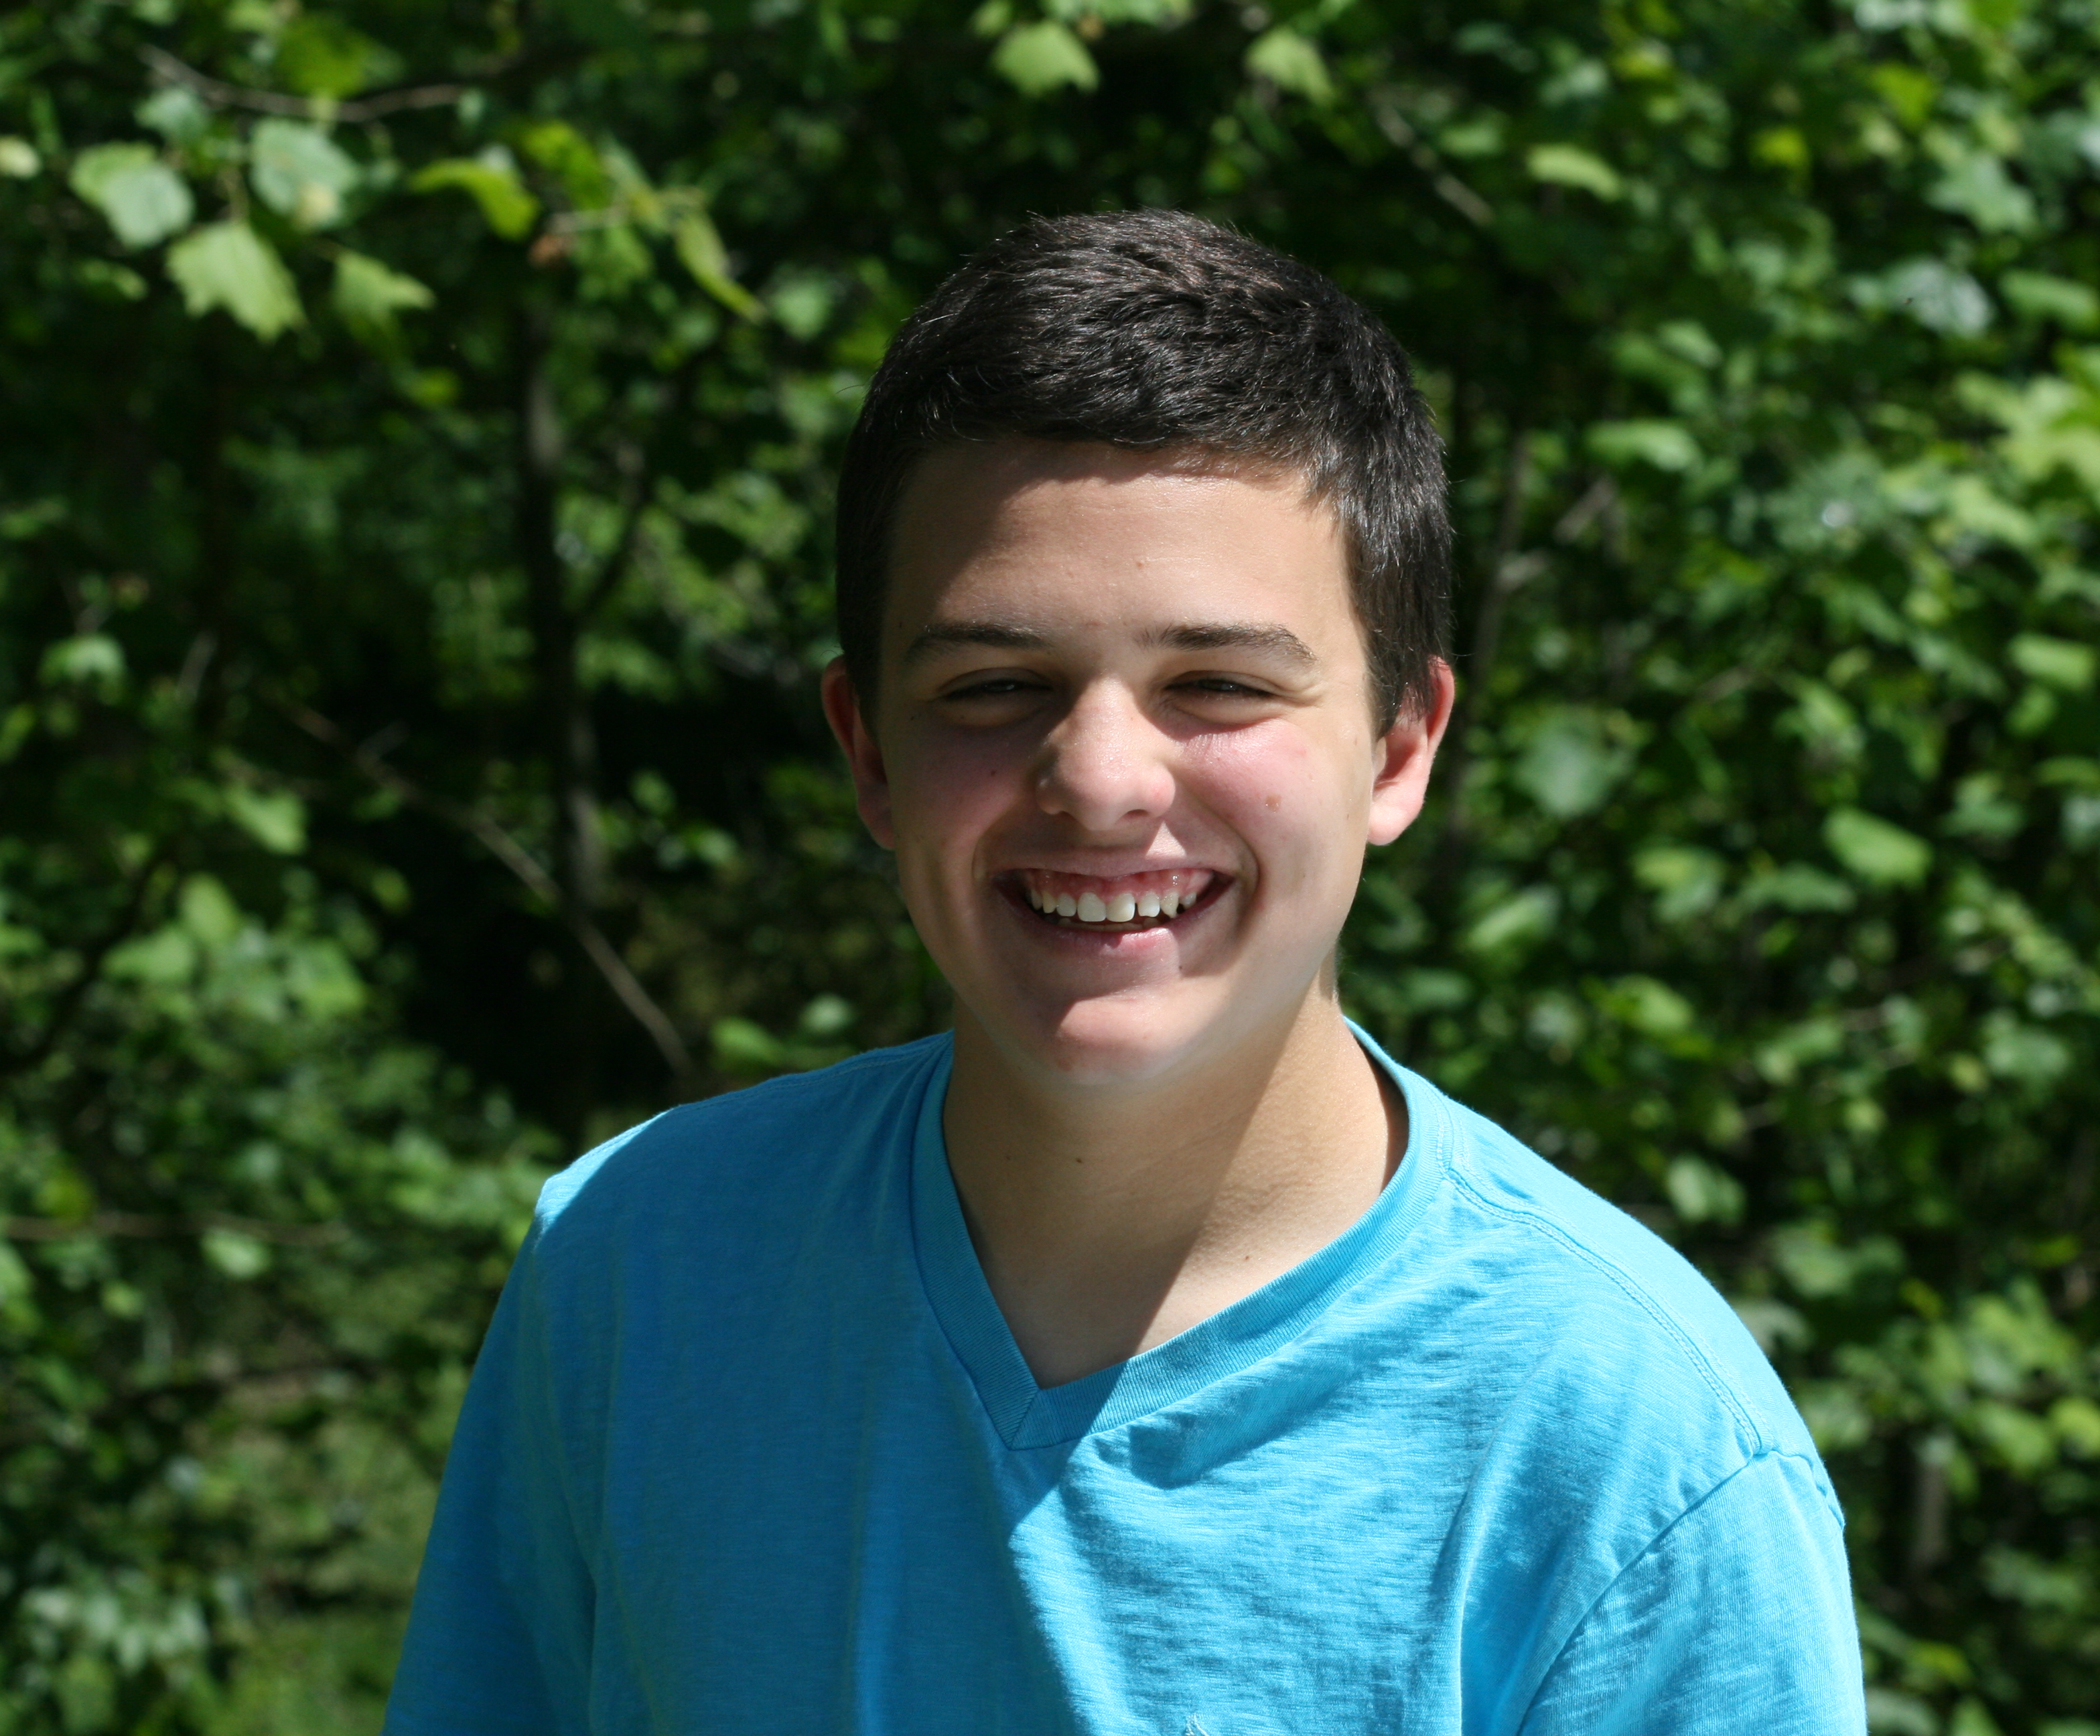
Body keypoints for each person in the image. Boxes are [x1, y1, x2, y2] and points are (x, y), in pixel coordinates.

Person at [383, 210, 1864, 1735]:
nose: (1099, 781)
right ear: (868, 751)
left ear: (1399, 749)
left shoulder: (1633, 1454)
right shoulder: (639, 1267)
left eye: (1216, 683)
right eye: (994, 685)